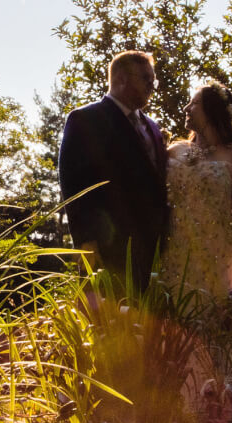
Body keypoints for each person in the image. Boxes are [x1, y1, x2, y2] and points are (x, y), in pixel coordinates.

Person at [57, 50, 168, 291]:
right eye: (145, 79)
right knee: (110, 321)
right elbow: (74, 183)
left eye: (153, 80)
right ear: (120, 80)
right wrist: (86, 240)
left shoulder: (153, 128)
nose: (152, 86)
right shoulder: (85, 119)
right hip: (109, 246)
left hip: (154, 250)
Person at [160, 79, 232, 306]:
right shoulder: (175, 151)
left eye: (193, 103)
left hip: (215, 254)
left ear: (210, 112)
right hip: (175, 249)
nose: (186, 108)